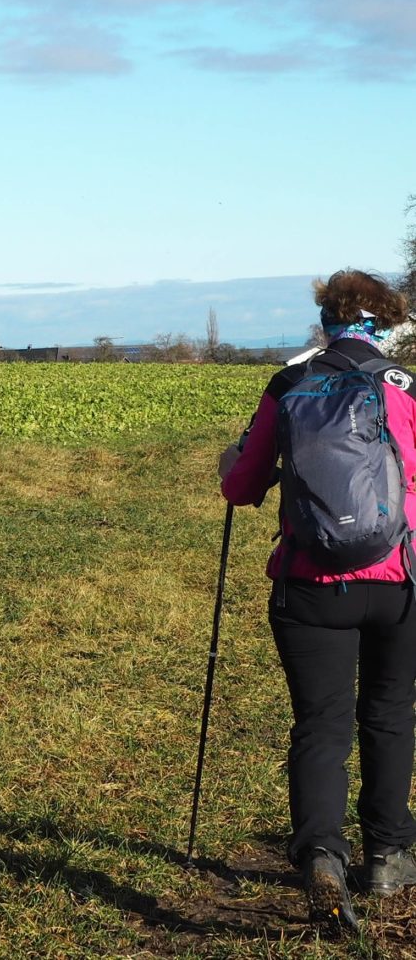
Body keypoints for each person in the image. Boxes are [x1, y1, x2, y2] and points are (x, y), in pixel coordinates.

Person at [220, 270, 416, 931]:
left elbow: (242, 487)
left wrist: (232, 464)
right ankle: (388, 854)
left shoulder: (290, 385)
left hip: (309, 585)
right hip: (401, 584)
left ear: (325, 320)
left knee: (321, 726)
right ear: (385, 321)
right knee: (389, 715)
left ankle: (324, 857)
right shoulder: (405, 387)